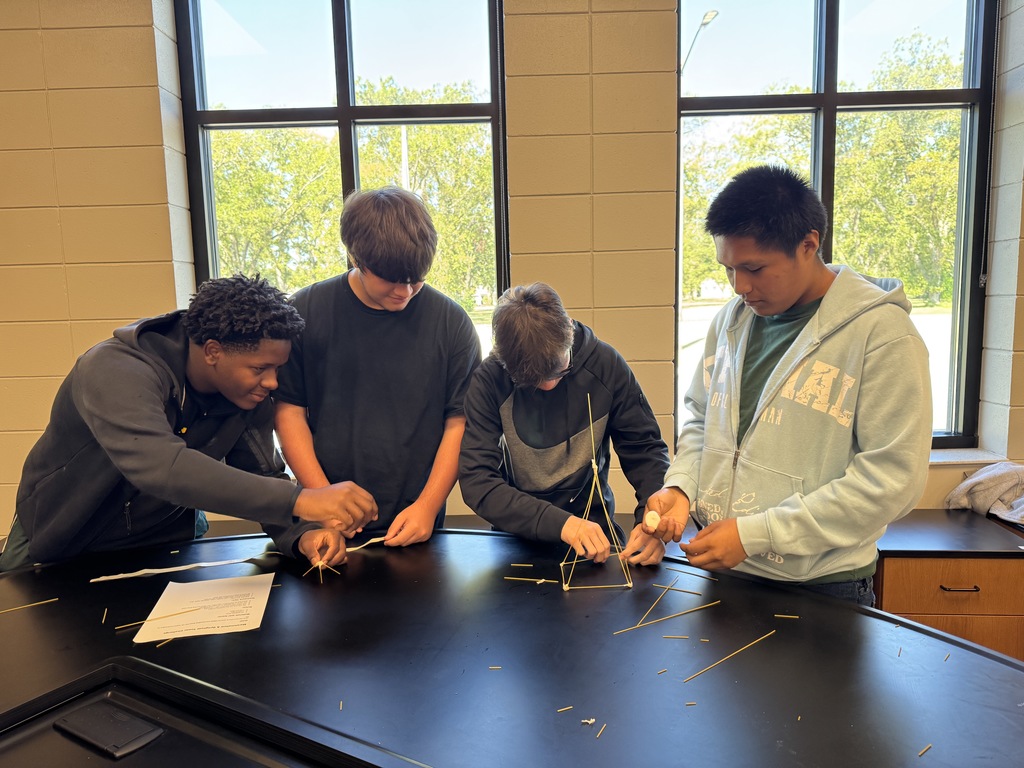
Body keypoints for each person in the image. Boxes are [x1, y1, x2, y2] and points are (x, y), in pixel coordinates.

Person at [644, 164, 932, 605]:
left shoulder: (882, 335)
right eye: (728, 269)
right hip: (723, 568)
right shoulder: (730, 322)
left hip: (821, 584)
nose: (740, 286)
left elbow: (893, 479)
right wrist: (680, 487)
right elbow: (702, 421)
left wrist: (759, 533)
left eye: (754, 268)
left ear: (808, 245)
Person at [1, 275, 378, 573]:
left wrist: (302, 534)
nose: (272, 382)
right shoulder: (114, 370)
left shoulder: (246, 395)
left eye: (277, 368)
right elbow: (162, 466)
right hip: (62, 540)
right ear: (213, 351)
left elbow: (263, 476)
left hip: (164, 545)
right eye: (260, 368)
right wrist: (304, 500)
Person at [274, 186, 481, 556]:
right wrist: (324, 501)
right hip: (327, 521)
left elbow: (459, 423)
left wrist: (427, 506)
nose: (405, 291)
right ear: (356, 258)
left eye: (416, 279)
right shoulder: (306, 311)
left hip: (417, 523)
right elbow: (289, 412)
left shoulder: (452, 323)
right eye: (390, 279)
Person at [459, 282, 671, 566]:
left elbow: (645, 451)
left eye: (559, 371)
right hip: (516, 539)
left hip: (597, 540)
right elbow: (477, 482)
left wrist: (651, 520)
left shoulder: (606, 366)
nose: (548, 386)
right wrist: (562, 524)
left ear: (569, 330)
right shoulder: (490, 380)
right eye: (533, 382)